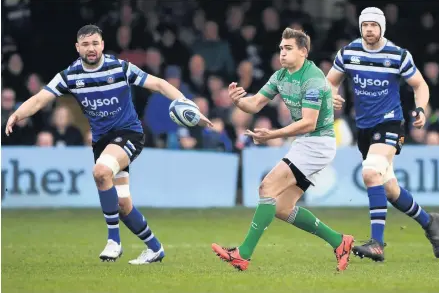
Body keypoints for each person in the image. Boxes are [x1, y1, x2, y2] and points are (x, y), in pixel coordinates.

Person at [5, 24, 213, 264]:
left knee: (101, 171)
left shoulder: (120, 67)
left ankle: (114, 241)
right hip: (102, 143)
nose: (91, 49)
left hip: (129, 134)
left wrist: (190, 106)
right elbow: (42, 98)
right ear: (77, 47)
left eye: (95, 43)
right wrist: (17, 114)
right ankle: (154, 248)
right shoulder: (70, 75)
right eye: (85, 44)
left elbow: (158, 84)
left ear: (102, 45)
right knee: (123, 205)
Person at [211, 28, 354, 272]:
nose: (282, 53)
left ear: (303, 52)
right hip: (307, 142)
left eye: (288, 48)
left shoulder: (313, 79)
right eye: (281, 48)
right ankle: (339, 241)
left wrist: (272, 134)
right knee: (281, 207)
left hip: (318, 142)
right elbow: (254, 104)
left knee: (267, 187)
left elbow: (309, 122)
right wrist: (237, 101)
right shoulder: (280, 76)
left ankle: (243, 254)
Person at [326, 7, 439, 262]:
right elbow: (331, 80)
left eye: (373, 25)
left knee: (369, 172)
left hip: (390, 123)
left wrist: (420, 108)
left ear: (382, 28)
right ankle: (430, 221)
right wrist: (331, 93)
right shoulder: (349, 53)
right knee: (389, 189)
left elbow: (420, 84)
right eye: (365, 25)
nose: (368, 30)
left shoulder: (398, 55)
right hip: (364, 128)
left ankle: (377, 243)